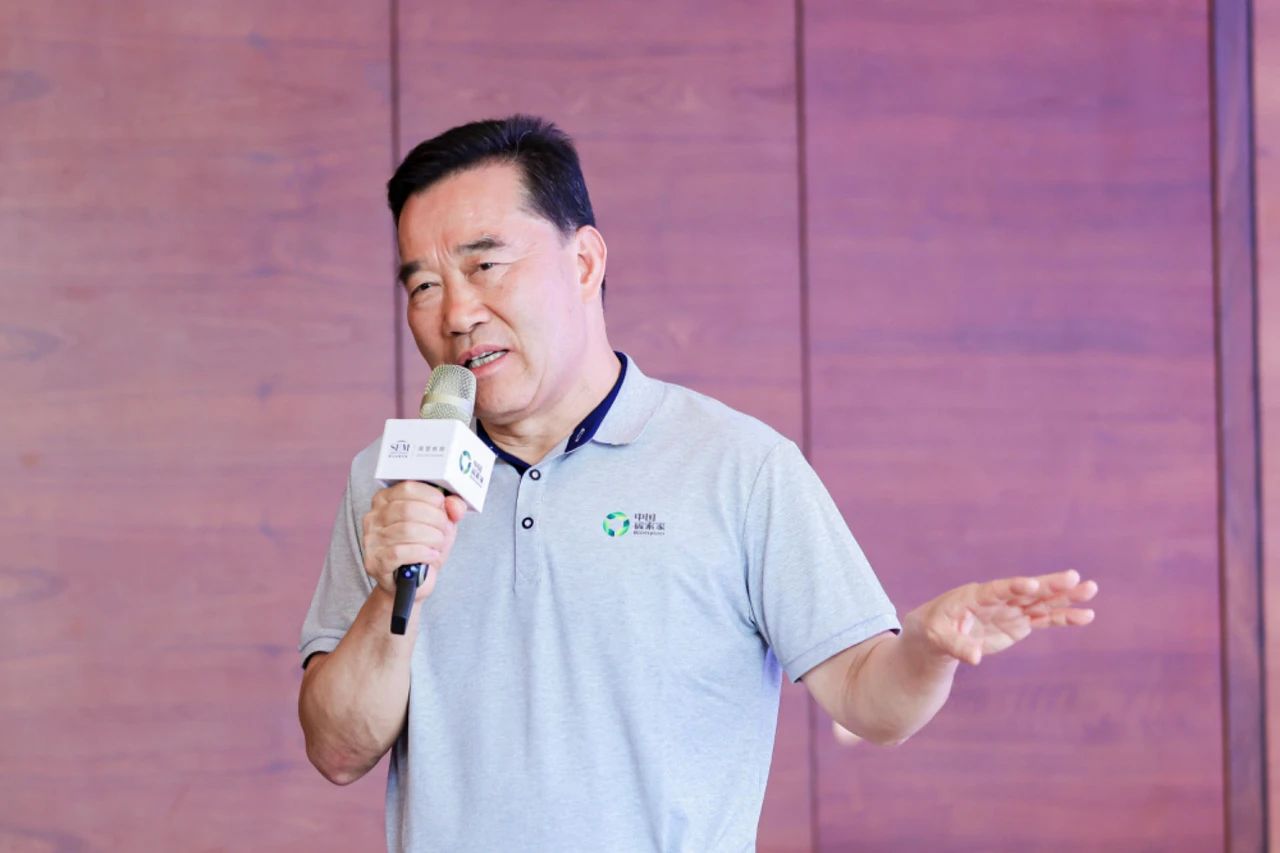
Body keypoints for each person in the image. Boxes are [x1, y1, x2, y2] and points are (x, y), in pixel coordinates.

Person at [297, 115, 1098, 852]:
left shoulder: (737, 467)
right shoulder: (391, 480)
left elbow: (869, 698)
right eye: (423, 285)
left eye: (485, 265)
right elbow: (336, 749)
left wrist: (924, 651)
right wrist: (392, 594)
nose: (456, 313)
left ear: (584, 262)